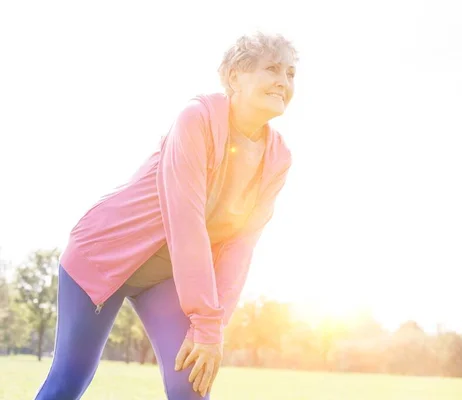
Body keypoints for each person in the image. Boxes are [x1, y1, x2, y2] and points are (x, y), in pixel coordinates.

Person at [35, 31, 297, 399]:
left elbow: (241, 246)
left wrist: (212, 328)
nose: (284, 82)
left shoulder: (277, 158)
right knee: (68, 381)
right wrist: (205, 323)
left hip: (166, 277)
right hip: (103, 257)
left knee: (190, 388)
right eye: (273, 69)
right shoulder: (197, 119)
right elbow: (186, 223)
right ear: (236, 76)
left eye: (290, 73)